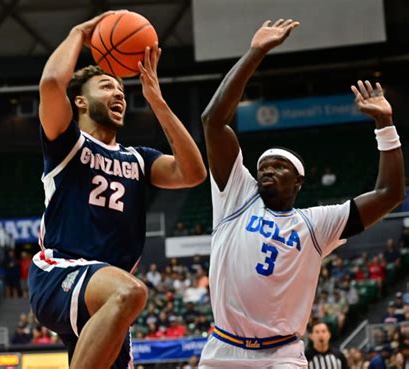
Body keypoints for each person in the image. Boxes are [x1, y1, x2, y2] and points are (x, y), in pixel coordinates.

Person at [198, 18, 405, 368]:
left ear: (297, 184)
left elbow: (389, 193)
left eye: (280, 167)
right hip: (224, 349)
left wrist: (385, 125)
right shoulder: (237, 194)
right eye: (264, 164)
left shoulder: (314, 224)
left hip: (283, 354)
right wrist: (255, 52)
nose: (268, 169)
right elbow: (213, 120)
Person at [28, 10, 206, 369]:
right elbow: (50, 84)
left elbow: (193, 172)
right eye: (107, 86)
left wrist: (157, 100)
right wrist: (80, 31)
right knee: (132, 290)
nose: (119, 93)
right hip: (62, 270)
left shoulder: (140, 159)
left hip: (105, 293)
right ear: (80, 101)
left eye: (122, 89)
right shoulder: (67, 143)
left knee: (125, 296)